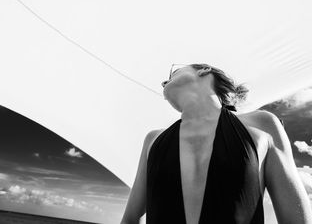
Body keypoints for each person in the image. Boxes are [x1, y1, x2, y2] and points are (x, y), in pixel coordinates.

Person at [120, 63, 312, 224]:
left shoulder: (263, 124)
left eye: (172, 74)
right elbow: (129, 219)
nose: (164, 83)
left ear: (203, 70)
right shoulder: (153, 139)